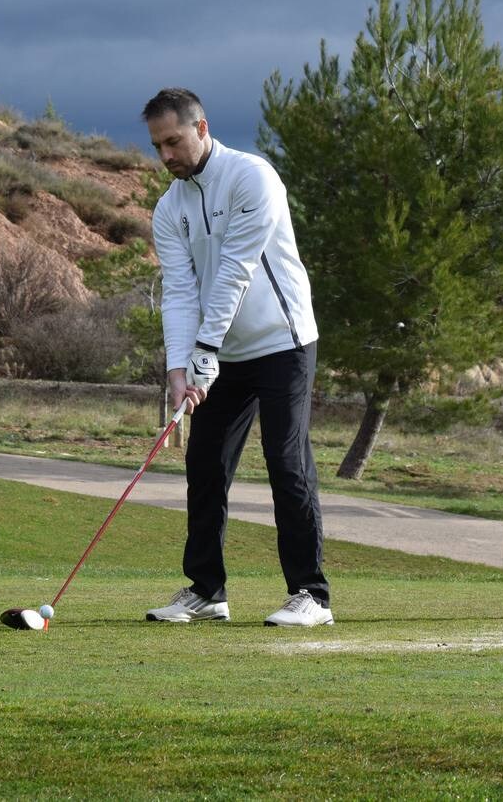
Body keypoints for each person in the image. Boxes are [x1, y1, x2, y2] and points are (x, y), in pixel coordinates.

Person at [141, 88, 330, 627]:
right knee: (204, 466)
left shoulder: (253, 177)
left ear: (201, 129)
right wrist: (179, 369)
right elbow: (179, 291)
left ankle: (311, 595)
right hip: (220, 353)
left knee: (285, 461)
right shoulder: (169, 207)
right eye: (158, 147)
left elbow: (235, 271)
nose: (166, 156)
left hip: (282, 340)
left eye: (173, 141)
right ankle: (207, 591)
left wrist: (204, 350)